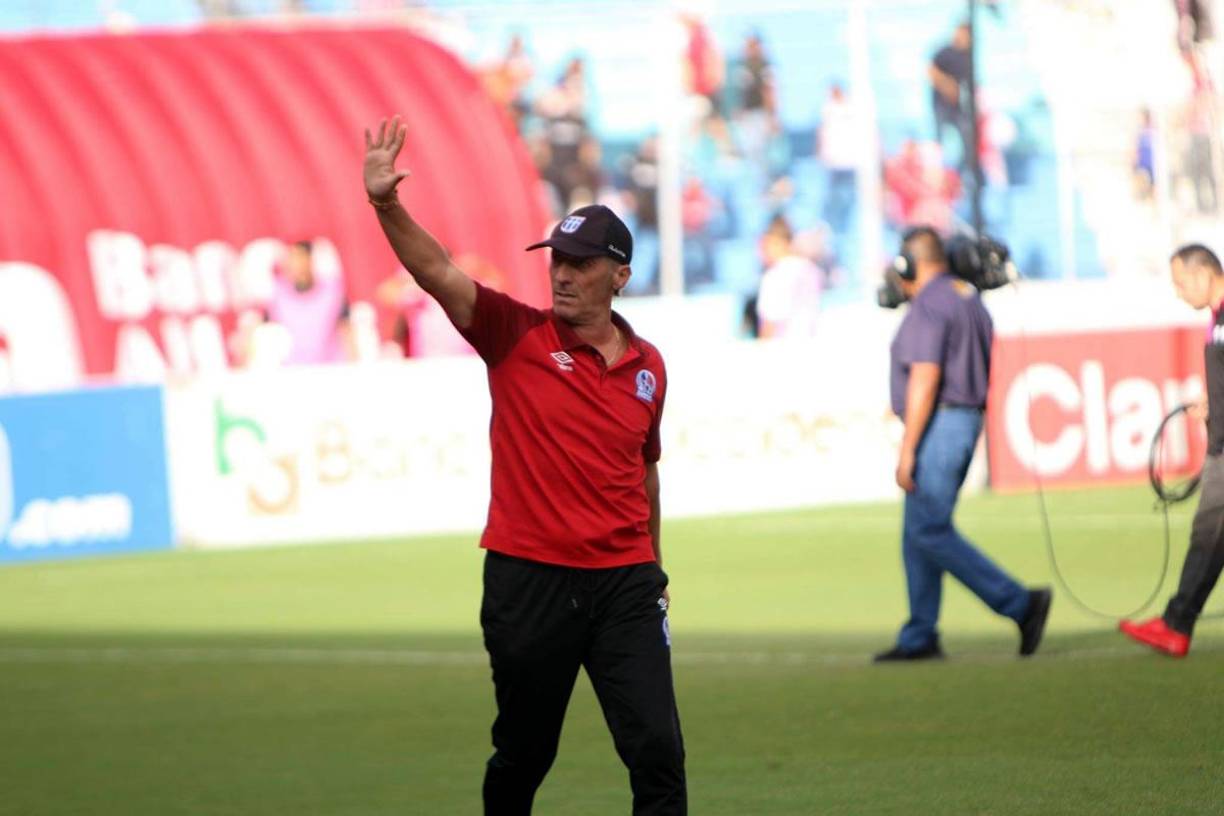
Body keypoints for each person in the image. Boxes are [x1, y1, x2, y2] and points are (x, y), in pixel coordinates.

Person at [362, 117, 686, 813]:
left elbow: (645, 469)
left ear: (620, 275)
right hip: (530, 580)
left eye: (580, 263)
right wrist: (388, 204)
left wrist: (653, 566)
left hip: (625, 584)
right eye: (556, 261)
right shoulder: (515, 334)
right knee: (527, 752)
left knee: (658, 753)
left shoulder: (650, 368)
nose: (561, 274)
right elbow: (439, 270)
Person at [876, 227, 1051, 662]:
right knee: (917, 531)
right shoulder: (966, 296)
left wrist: (908, 447)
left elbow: (926, 374)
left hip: (942, 424)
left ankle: (1019, 603)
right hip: (962, 419)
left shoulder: (930, 304)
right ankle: (920, 634)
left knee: (928, 530)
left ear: (910, 265)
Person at [1120, 244, 1224, 658]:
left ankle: (1176, 624)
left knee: (1208, 534)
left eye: (1181, 283)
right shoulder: (1216, 320)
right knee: (1209, 535)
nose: (1179, 293)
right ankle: (1176, 622)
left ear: (1205, 275)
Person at [257, 240, 349, 366]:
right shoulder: (278, 296)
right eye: (292, 258)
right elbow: (264, 332)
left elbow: (346, 329)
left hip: (329, 368)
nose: (295, 264)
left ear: (310, 260)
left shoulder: (332, 293)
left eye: (300, 257)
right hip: (293, 370)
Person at [754, 215, 821, 339]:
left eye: (764, 246)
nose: (760, 253)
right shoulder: (811, 270)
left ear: (778, 243)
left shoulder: (774, 277)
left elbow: (770, 323)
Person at [929, 23, 975, 176]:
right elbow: (931, 71)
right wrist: (947, 85)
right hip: (942, 106)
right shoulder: (945, 52)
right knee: (939, 140)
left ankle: (961, 174)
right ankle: (938, 174)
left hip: (959, 108)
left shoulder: (968, 56)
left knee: (967, 139)